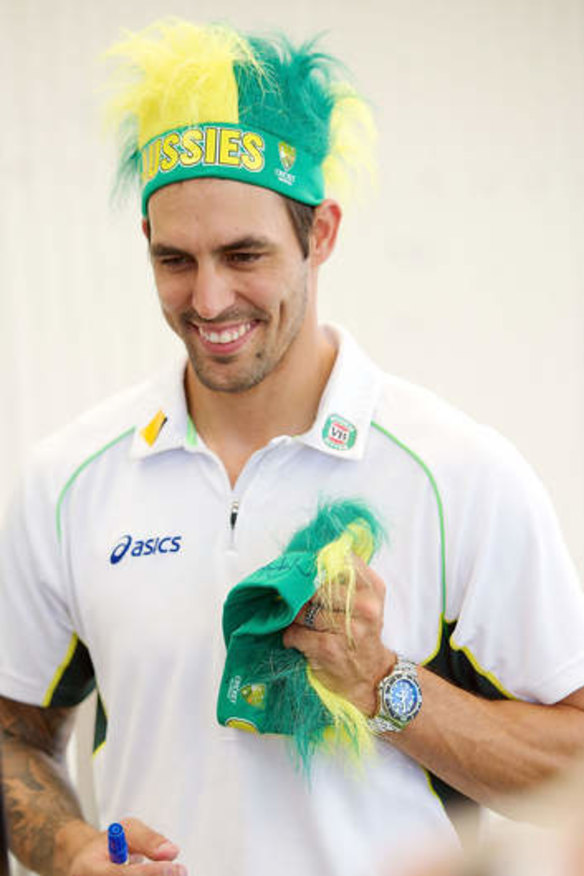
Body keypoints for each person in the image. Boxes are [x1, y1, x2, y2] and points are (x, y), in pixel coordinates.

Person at [1, 18, 584, 876]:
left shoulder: (459, 473)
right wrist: (73, 852)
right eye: (175, 260)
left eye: (245, 254)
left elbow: (570, 768)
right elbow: (15, 734)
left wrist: (383, 685)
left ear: (322, 235)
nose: (208, 300)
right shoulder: (67, 481)